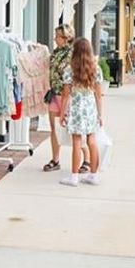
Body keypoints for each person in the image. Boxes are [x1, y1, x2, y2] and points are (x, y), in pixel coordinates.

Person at [58, 37, 104, 187]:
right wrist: (100, 114)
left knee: (77, 142)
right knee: (92, 140)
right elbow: (98, 95)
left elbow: (65, 95)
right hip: (90, 108)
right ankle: (94, 175)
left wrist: (62, 113)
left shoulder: (69, 70)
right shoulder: (96, 69)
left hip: (76, 109)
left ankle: (74, 177)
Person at [45, 24, 88, 173]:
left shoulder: (73, 53)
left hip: (68, 95)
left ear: (66, 37)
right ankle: (55, 159)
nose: (55, 38)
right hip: (54, 94)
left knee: (75, 129)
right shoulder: (55, 52)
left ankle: (87, 159)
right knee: (54, 128)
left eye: (57, 36)